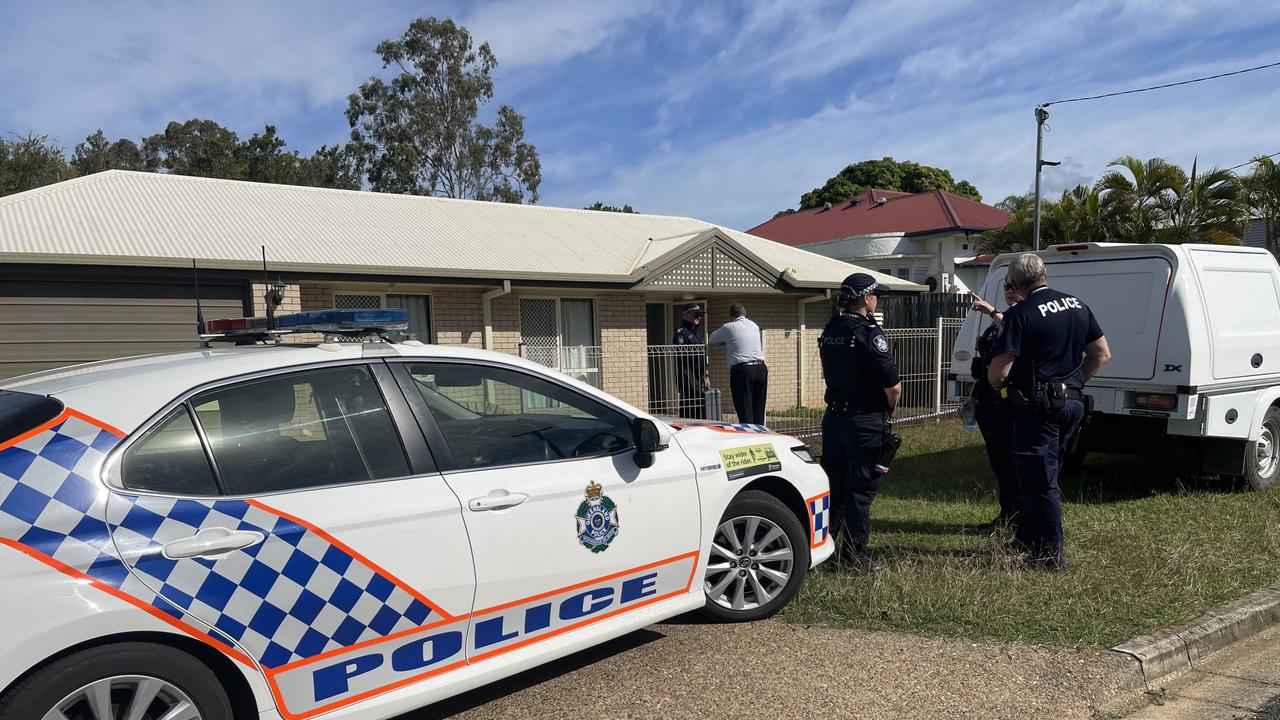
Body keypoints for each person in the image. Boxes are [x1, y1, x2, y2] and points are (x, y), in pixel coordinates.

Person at [987, 254, 1111, 571]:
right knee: (1041, 474)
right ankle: (1027, 538)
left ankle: (1049, 557)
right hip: (1072, 403)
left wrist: (1004, 385)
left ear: (1015, 284)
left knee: (1041, 482)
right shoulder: (1078, 305)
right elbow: (1101, 354)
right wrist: (1074, 382)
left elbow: (998, 373)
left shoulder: (1021, 314)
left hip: (1038, 407)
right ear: (1043, 276)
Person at [818, 273, 902, 569]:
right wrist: (888, 408)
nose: (877, 299)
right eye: (875, 295)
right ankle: (855, 555)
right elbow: (892, 388)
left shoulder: (831, 328)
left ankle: (822, 552)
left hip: (834, 419)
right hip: (864, 421)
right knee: (860, 489)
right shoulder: (870, 333)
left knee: (835, 489)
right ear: (866, 298)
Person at [967, 282, 1020, 532]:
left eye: (1015, 286)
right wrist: (973, 394)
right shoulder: (1002, 319)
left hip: (1007, 400)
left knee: (1012, 461)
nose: (1009, 291)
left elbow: (1010, 331)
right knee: (999, 460)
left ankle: (1018, 519)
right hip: (988, 398)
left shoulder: (1019, 318)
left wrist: (990, 310)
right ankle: (1006, 514)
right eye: (1006, 287)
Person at [708, 303, 769, 425]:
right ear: (744, 313)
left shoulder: (729, 327)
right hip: (761, 368)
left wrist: (727, 342)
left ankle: (748, 436)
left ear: (731, 315)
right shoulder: (754, 325)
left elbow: (711, 340)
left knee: (744, 407)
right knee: (758, 407)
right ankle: (760, 434)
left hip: (743, 371)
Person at [672, 303, 709, 419]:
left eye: (700, 315)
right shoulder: (682, 333)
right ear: (686, 315)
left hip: (700, 376)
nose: (699, 317)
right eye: (696, 314)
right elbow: (681, 359)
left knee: (700, 409)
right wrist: (692, 378)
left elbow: (702, 357)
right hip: (688, 376)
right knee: (689, 408)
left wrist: (706, 375)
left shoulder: (695, 333)